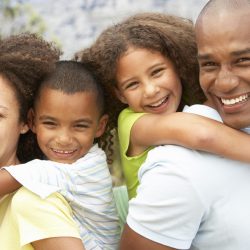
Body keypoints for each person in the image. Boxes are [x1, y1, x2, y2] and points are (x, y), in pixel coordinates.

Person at [119, 0, 250, 249]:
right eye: (209, 64)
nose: (224, 83)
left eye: (243, 60)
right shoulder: (179, 168)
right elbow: (202, 135)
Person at [78, 12, 250, 200]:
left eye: (157, 72)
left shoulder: (192, 105)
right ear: (120, 94)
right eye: (133, 84)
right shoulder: (133, 124)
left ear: (178, 65)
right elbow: (203, 135)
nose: (150, 90)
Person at [0, 60, 121, 249]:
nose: (64, 139)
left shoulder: (80, 170)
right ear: (32, 120)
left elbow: (9, 180)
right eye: (51, 124)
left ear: (100, 126)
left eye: (79, 126)